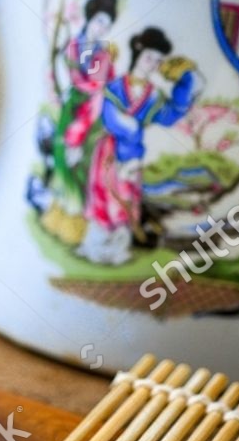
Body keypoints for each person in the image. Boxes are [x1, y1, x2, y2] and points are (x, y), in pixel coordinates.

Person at [80, 28, 202, 265]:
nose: (152, 64)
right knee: (105, 197)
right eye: (149, 57)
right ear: (138, 51)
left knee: (126, 199)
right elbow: (110, 116)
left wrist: (188, 82)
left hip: (133, 157)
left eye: (158, 61)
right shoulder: (116, 86)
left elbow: (169, 115)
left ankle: (117, 248)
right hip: (111, 153)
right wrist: (131, 132)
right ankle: (95, 246)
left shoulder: (152, 95)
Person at [52, 0, 119, 209]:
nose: (102, 28)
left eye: (107, 26)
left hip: (91, 109)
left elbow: (95, 86)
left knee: (85, 158)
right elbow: (63, 74)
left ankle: (80, 204)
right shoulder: (72, 44)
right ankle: (63, 199)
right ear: (91, 16)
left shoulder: (103, 54)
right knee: (61, 150)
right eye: (100, 21)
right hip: (70, 105)